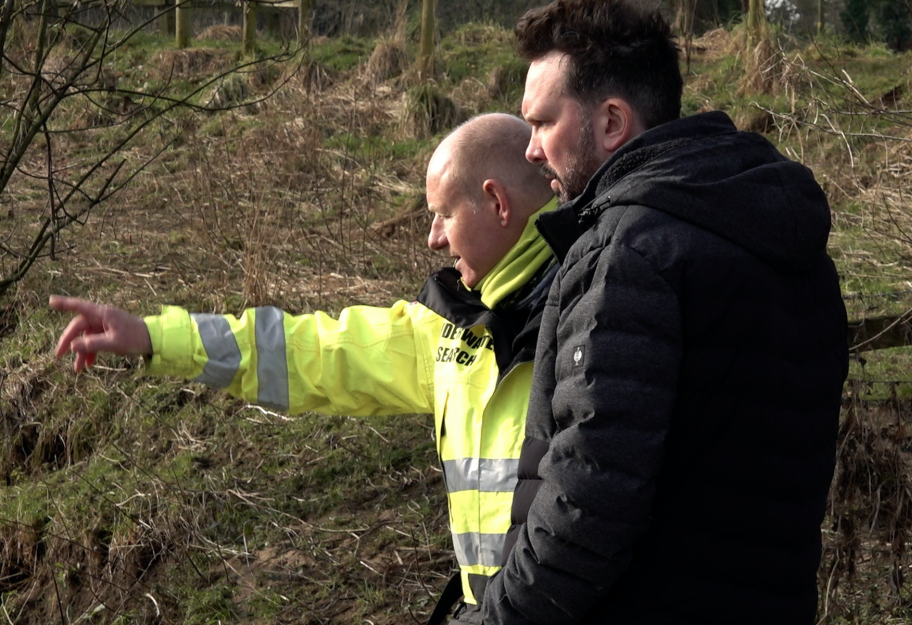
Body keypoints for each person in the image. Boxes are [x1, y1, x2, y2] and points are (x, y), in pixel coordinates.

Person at [50, 113, 556, 625]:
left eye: (444, 214)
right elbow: (308, 352)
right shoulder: (449, 328)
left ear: (497, 203)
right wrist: (155, 337)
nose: (433, 239)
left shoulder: (595, 322)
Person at [482, 2, 850, 624]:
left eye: (542, 123)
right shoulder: (781, 239)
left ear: (612, 122)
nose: (531, 151)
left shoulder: (629, 253)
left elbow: (585, 509)